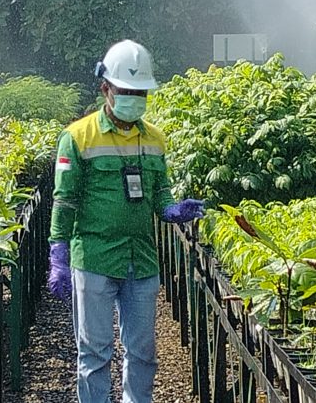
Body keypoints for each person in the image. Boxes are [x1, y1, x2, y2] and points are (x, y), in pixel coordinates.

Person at [47, 39, 205, 403]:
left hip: (141, 261)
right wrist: (59, 252)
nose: (134, 97)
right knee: (95, 354)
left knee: (143, 354)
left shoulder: (154, 139)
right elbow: (64, 200)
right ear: (106, 88)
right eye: (126, 90)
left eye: (140, 92)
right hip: (96, 259)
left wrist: (171, 210)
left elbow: (160, 191)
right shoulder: (77, 137)